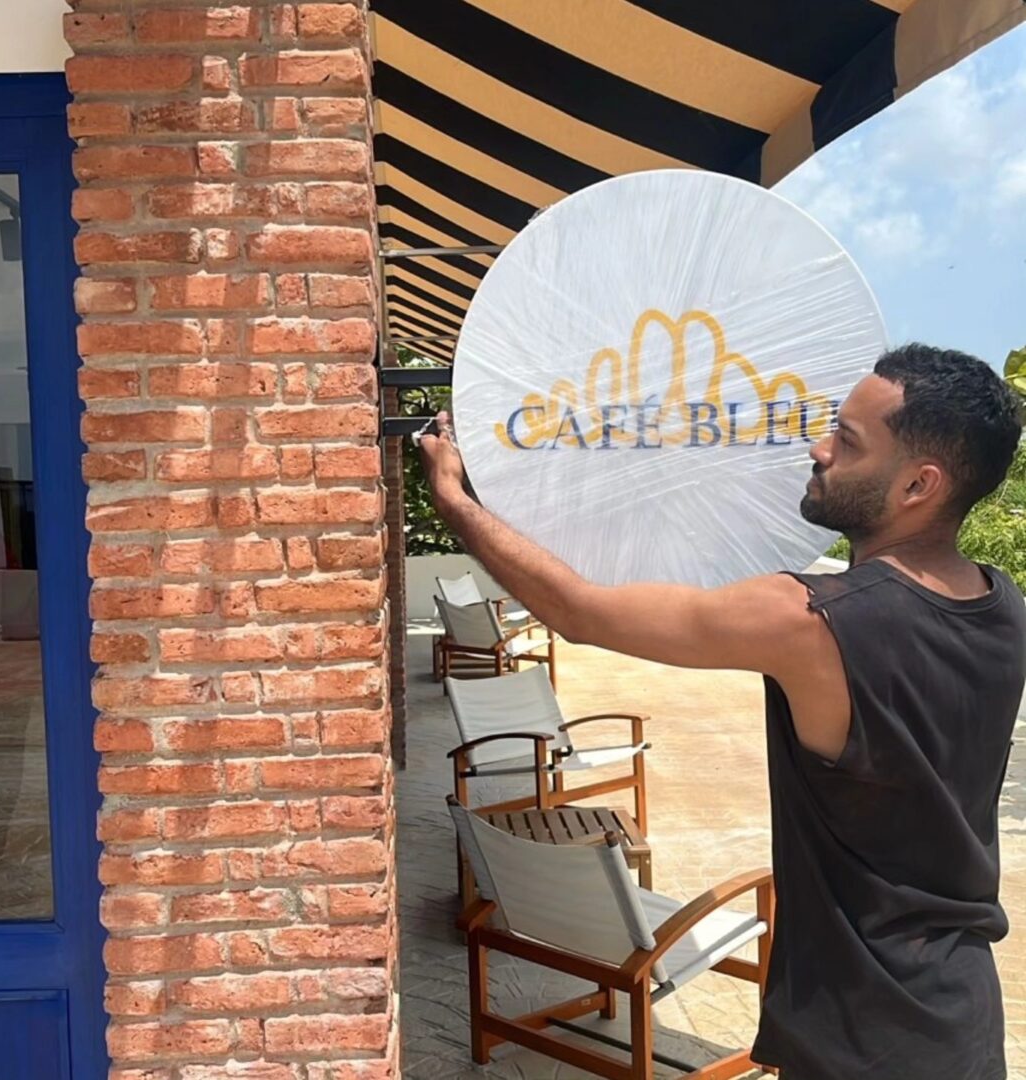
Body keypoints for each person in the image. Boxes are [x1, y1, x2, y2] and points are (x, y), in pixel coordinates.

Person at [419, 343, 1026, 1080]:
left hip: (860, 1033)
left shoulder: (812, 620)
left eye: (848, 441)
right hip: (959, 1018)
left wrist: (455, 500)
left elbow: (581, 613)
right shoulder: (1003, 606)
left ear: (918, 485)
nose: (819, 449)